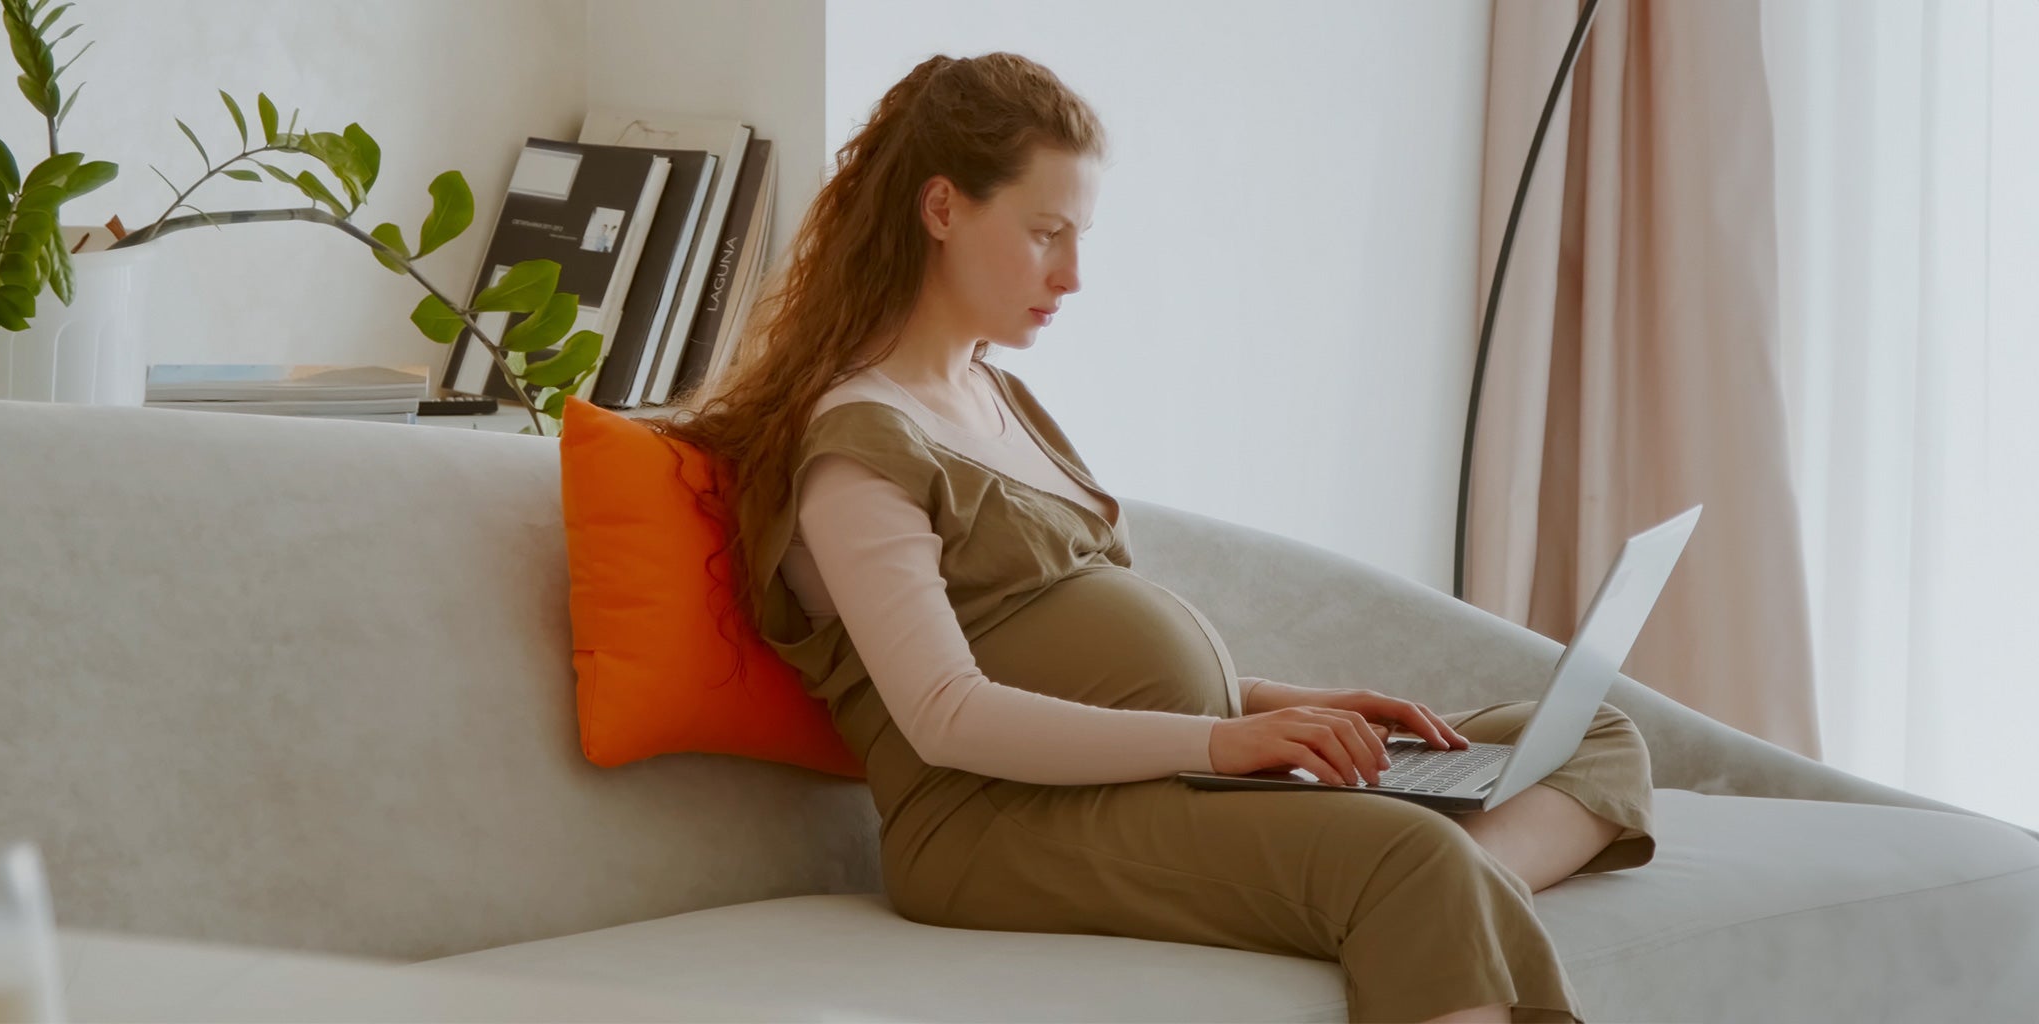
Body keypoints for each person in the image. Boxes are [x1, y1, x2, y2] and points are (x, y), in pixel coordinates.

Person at [643, 52, 1657, 1024]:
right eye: (1045, 233)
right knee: (1411, 855)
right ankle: (1426, 888)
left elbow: (1101, 662)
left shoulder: (1002, 397)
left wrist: (1291, 707)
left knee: (1588, 734)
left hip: (1168, 771)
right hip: (996, 823)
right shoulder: (858, 442)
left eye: (1078, 237)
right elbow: (946, 713)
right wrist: (1225, 739)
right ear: (942, 208)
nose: (1072, 275)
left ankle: (1446, 893)